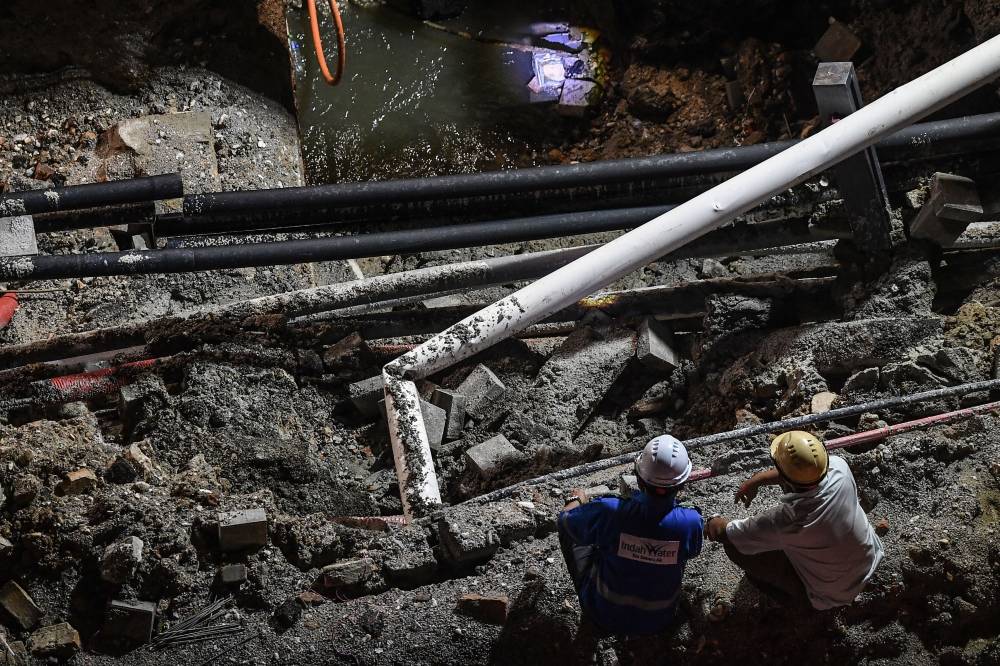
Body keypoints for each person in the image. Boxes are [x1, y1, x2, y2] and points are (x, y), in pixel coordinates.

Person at [704, 430, 883, 610]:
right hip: (869, 560)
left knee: (734, 547)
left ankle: (792, 602)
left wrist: (711, 520)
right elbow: (802, 475)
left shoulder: (788, 522)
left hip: (830, 595)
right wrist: (757, 480)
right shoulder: (840, 467)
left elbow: (724, 533)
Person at [557, 435, 703, 635]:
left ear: (639, 478)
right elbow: (692, 551)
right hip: (659, 619)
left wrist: (576, 499)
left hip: (602, 614)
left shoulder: (610, 511)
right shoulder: (691, 522)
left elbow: (565, 522)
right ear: (682, 484)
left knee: (581, 530)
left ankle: (592, 598)